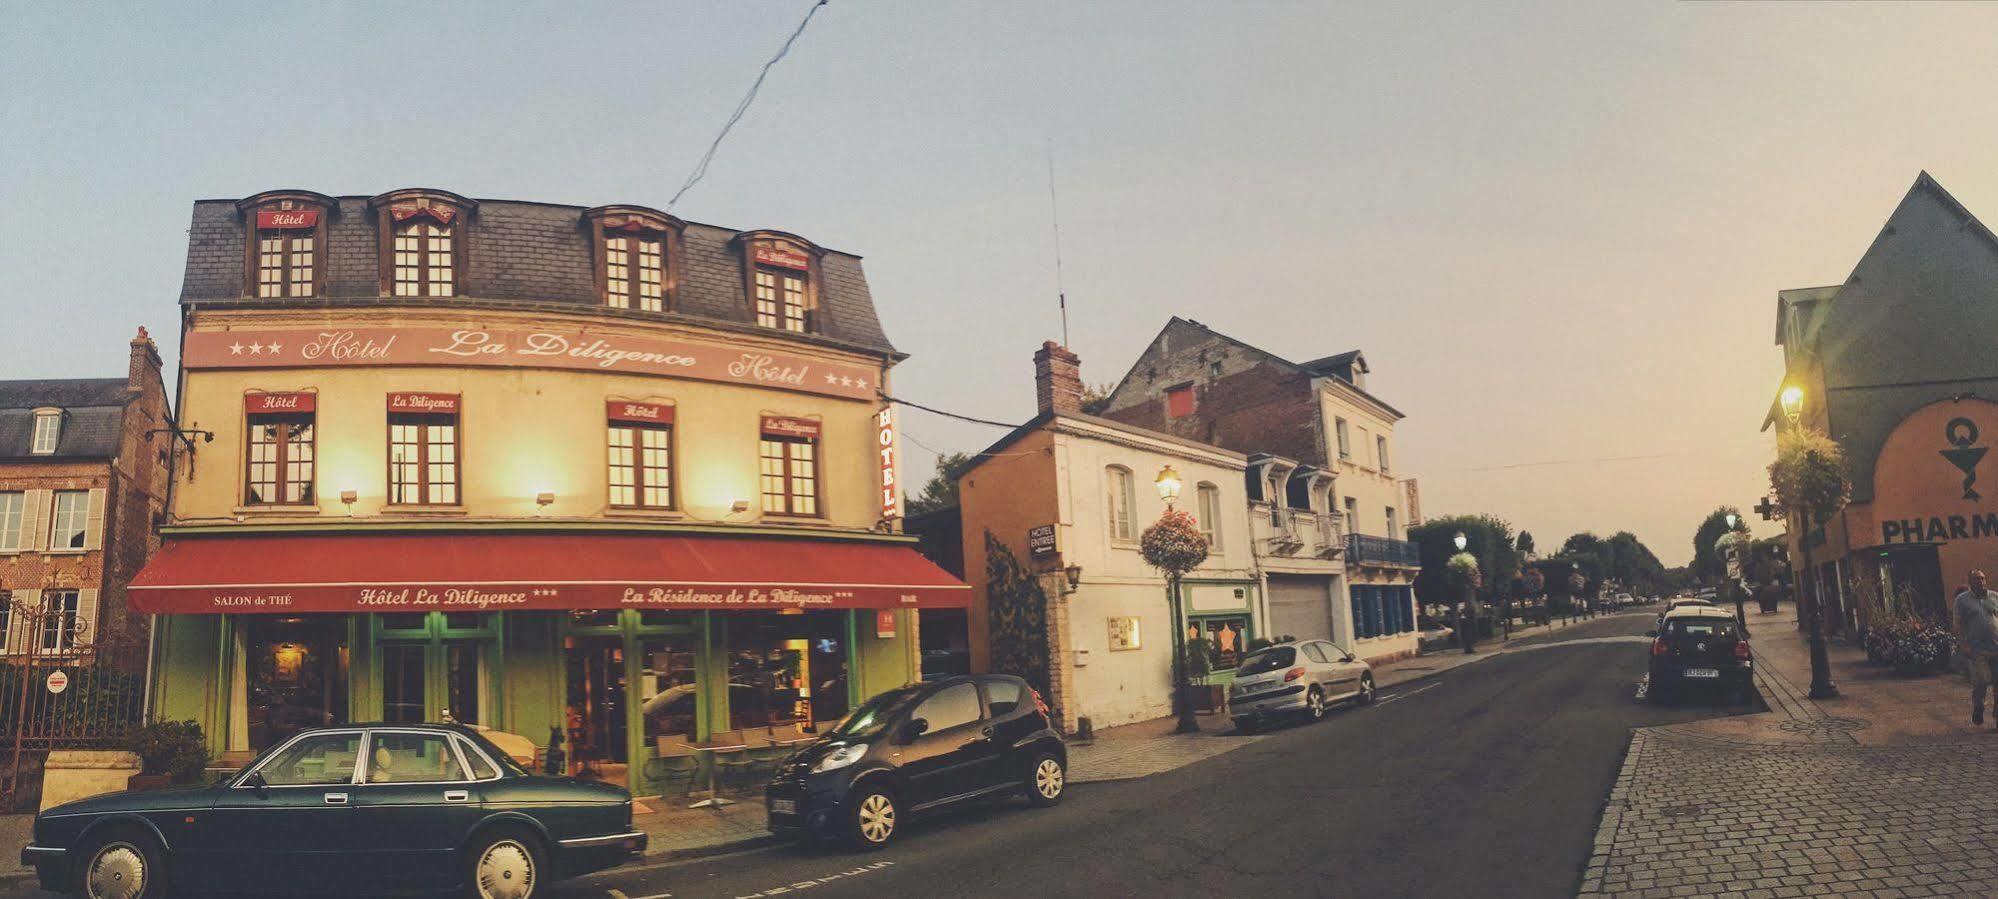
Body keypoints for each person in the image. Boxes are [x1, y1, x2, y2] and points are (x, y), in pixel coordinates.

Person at [1953, 570, 1998, 726]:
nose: (1980, 581)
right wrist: (1963, 644)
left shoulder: (1994, 597)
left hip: (1996, 647)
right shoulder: (1962, 600)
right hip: (1977, 650)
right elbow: (1957, 625)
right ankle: (1979, 706)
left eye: (1982, 578)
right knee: (1981, 681)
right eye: (1976, 579)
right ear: (1970, 582)